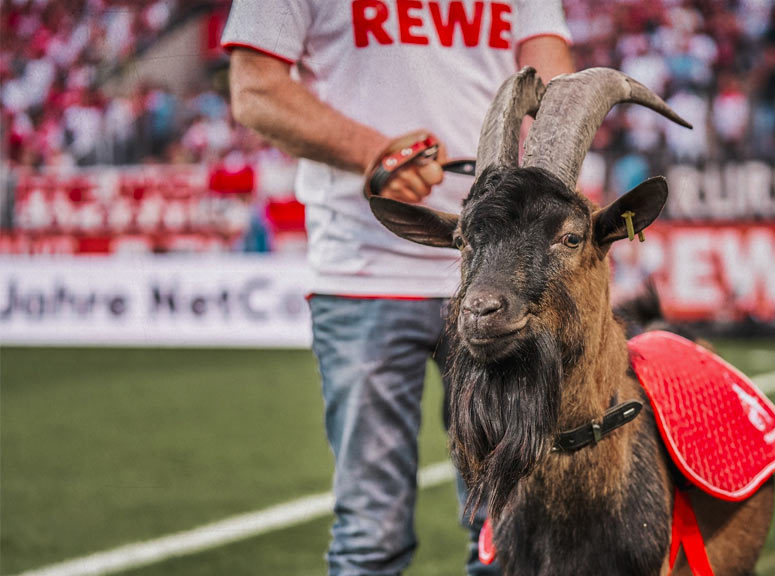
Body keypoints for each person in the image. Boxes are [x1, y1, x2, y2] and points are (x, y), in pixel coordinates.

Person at [220, 2, 572, 575]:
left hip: (501, 279)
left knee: (512, 534)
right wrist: (371, 153)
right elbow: (254, 89)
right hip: (363, 274)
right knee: (371, 537)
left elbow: (554, 85)